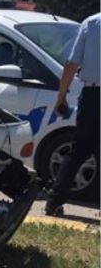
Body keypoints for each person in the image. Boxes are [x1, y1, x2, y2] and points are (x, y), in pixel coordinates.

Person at [45, 12, 100, 215]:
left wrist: (61, 96)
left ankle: (55, 200)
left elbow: (71, 63)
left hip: (93, 94)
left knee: (79, 149)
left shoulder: (91, 23)